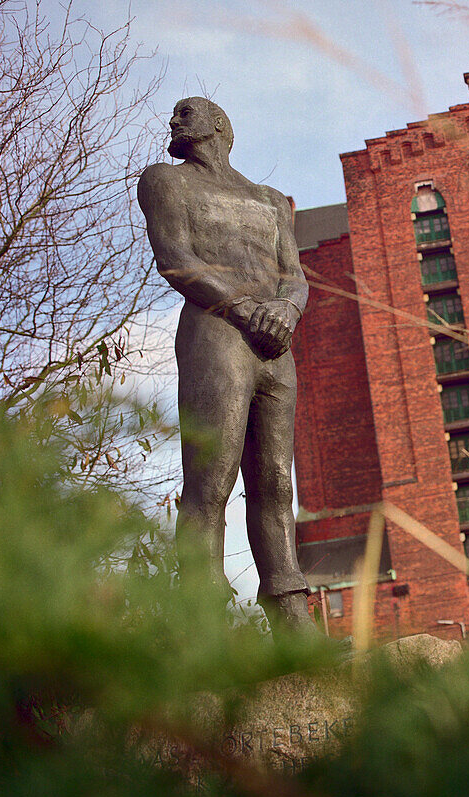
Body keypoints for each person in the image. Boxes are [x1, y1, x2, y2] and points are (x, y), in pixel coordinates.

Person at [137, 96, 314, 634]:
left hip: (275, 346)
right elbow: (176, 260)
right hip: (217, 333)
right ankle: (201, 623)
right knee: (210, 481)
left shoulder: (268, 199)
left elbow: (295, 272)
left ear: (218, 124)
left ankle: (291, 617)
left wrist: (285, 309)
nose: (173, 121)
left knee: (276, 485)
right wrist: (247, 309)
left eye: (184, 112)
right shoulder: (166, 181)